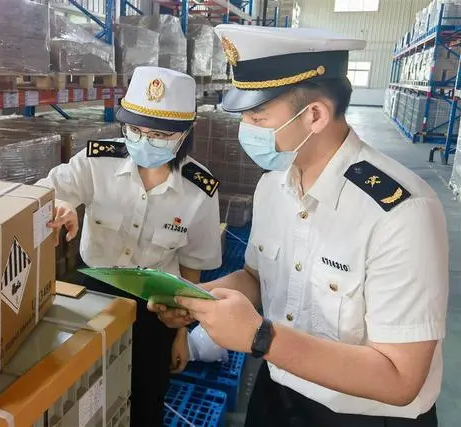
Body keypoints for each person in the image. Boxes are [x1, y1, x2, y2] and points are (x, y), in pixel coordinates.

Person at [151, 25, 449, 427]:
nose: (245, 130)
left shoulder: (400, 212)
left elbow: (400, 378)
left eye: (257, 117)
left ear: (314, 115)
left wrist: (258, 337)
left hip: (360, 415)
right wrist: (196, 299)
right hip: (278, 387)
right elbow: (257, 278)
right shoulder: (274, 185)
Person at [38, 66, 223, 426]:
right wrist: (61, 205)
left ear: (185, 134)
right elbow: (47, 191)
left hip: (156, 305)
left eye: (158, 135)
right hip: (94, 294)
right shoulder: (97, 161)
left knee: (146, 396)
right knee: (83, 390)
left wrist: (181, 333)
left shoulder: (199, 189)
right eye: (134, 130)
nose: (143, 141)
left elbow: (192, 265)